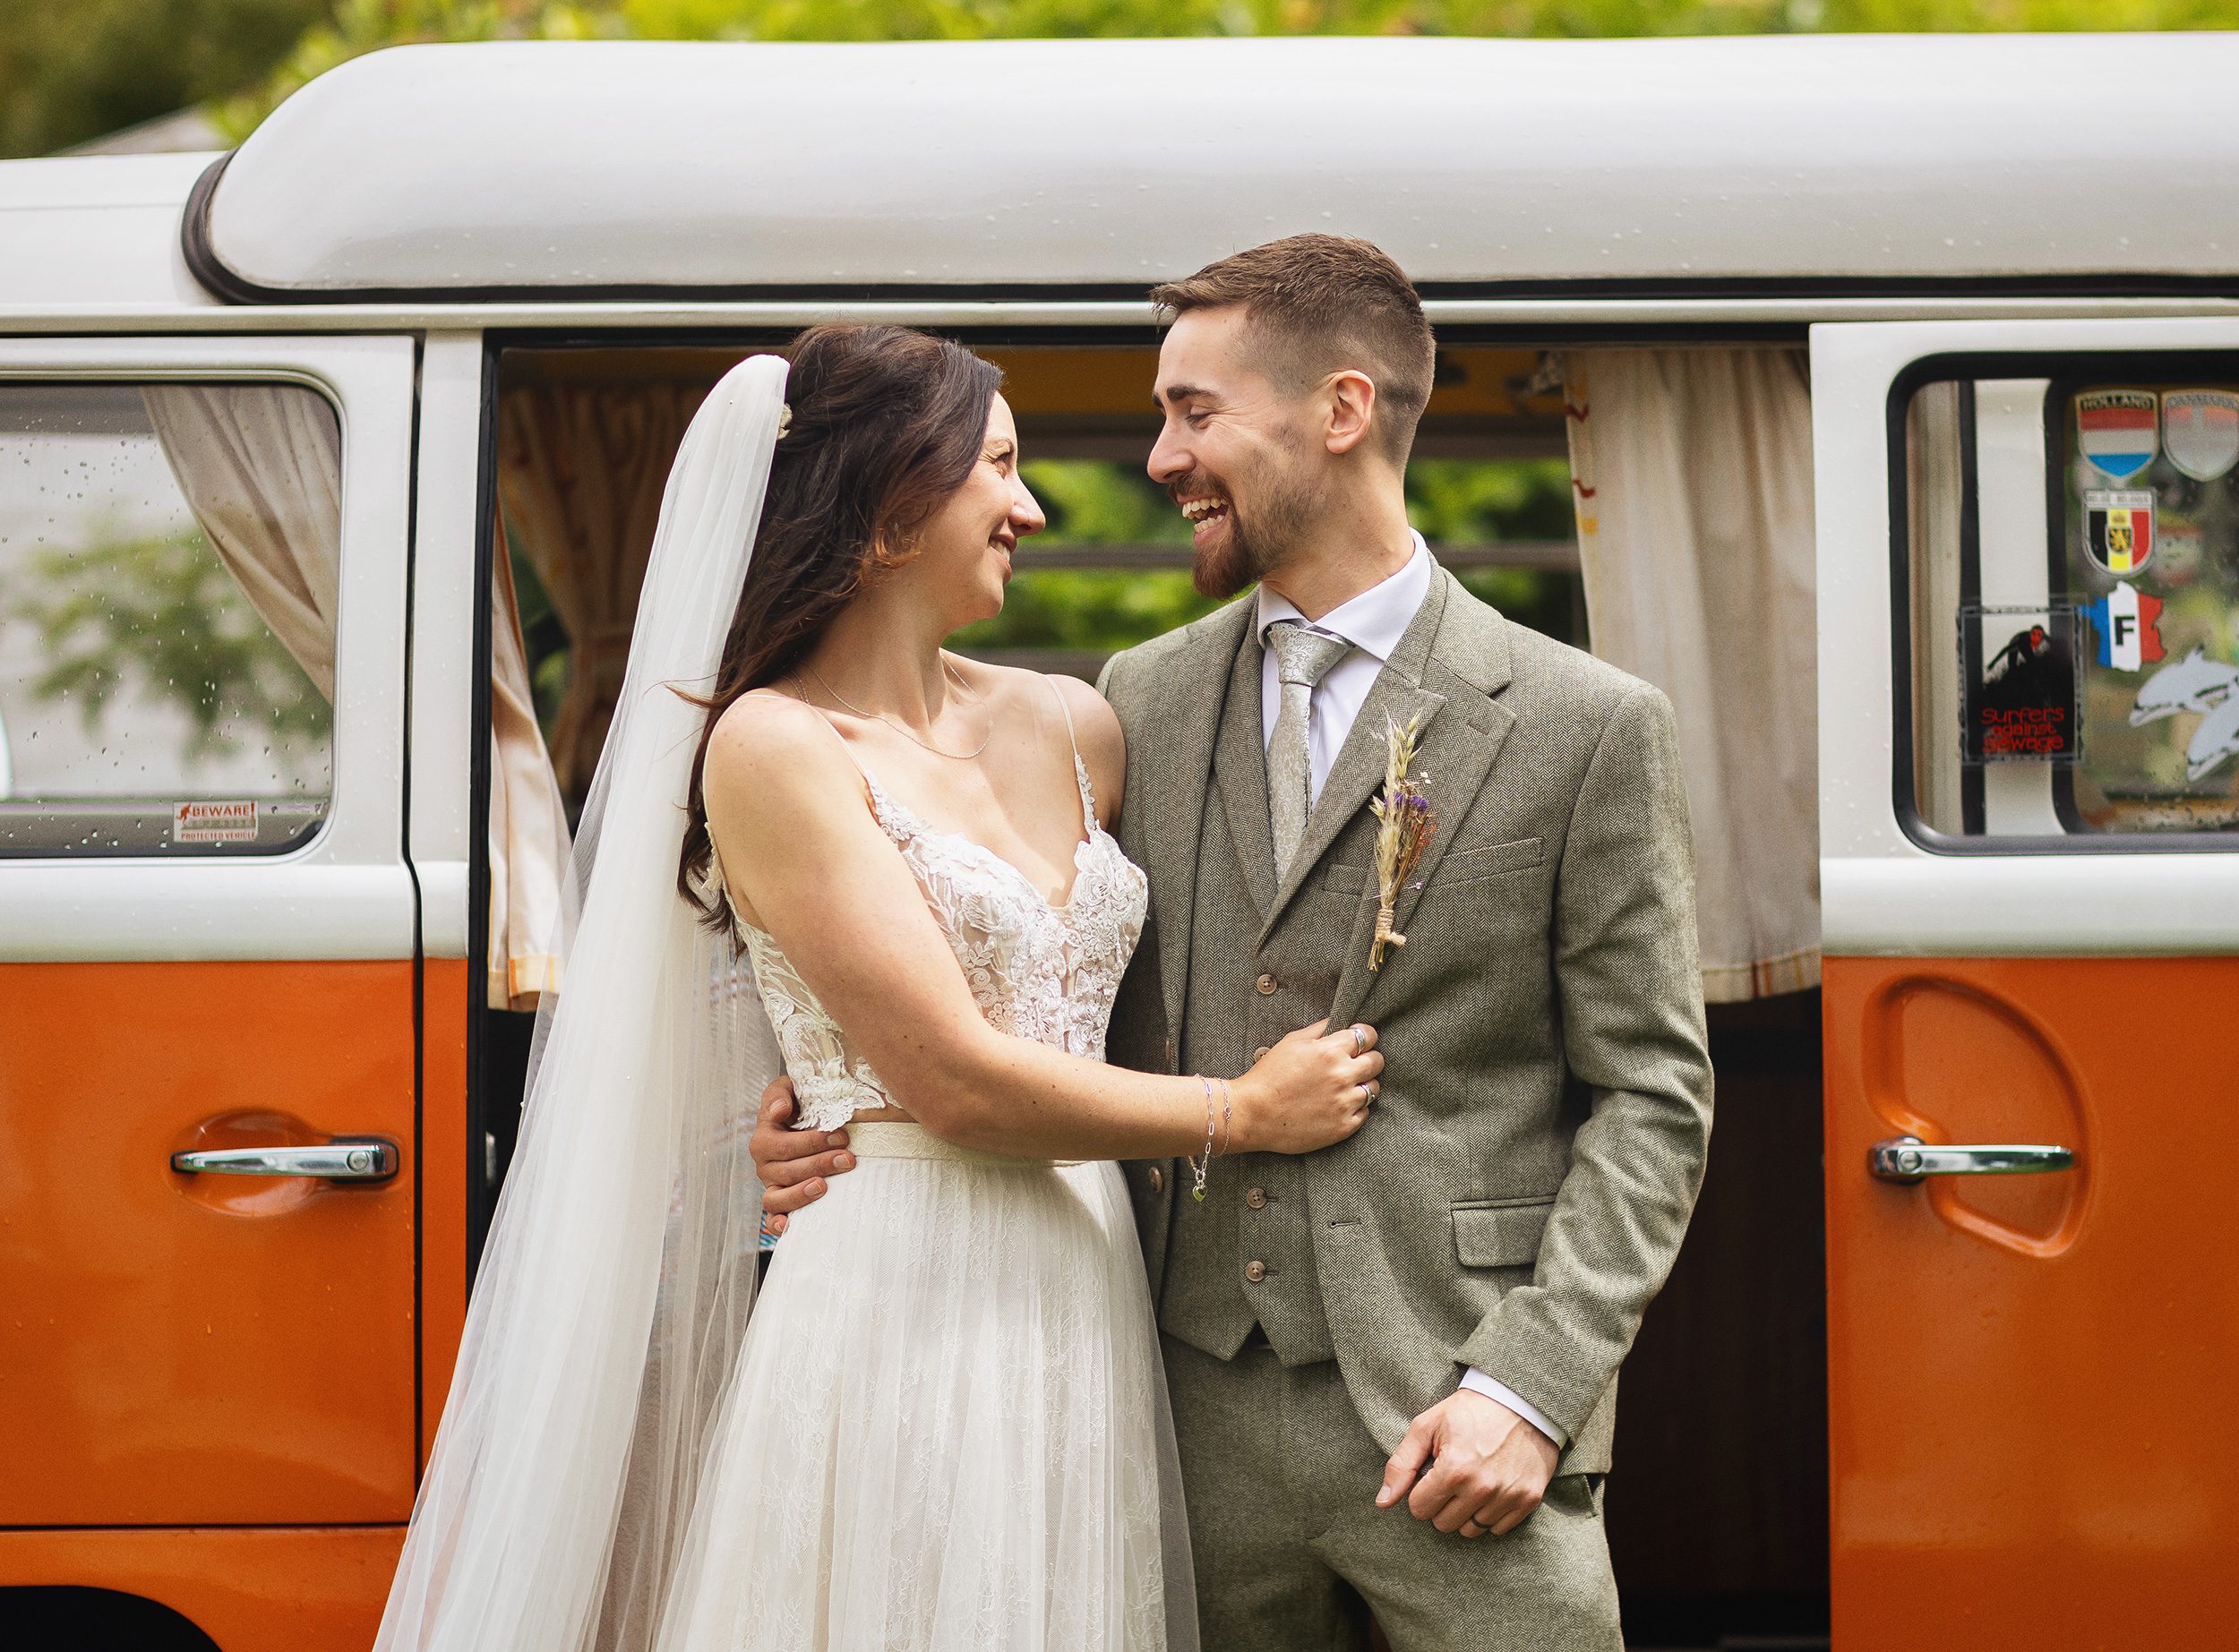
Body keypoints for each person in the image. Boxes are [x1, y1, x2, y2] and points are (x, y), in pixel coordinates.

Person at [756, 237, 1714, 1650]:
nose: (1160, 458)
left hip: (1460, 1415)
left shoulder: (1587, 723)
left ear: (1340, 410)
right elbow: (1010, 969)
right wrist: (821, 1104)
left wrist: (1530, 1387)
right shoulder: (1129, 705)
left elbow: (1654, 1097)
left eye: (1192, 412)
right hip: (1162, 1415)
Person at [372, 323, 1385, 1652]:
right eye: (1000, 467)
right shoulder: (772, 747)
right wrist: (1240, 1113)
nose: (1032, 508)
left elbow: (1129, 984)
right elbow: (949, 1077)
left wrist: (787, 1095)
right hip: (903, 1279)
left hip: (1086, 1275)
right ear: (893, 500)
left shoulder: (1077, 724)